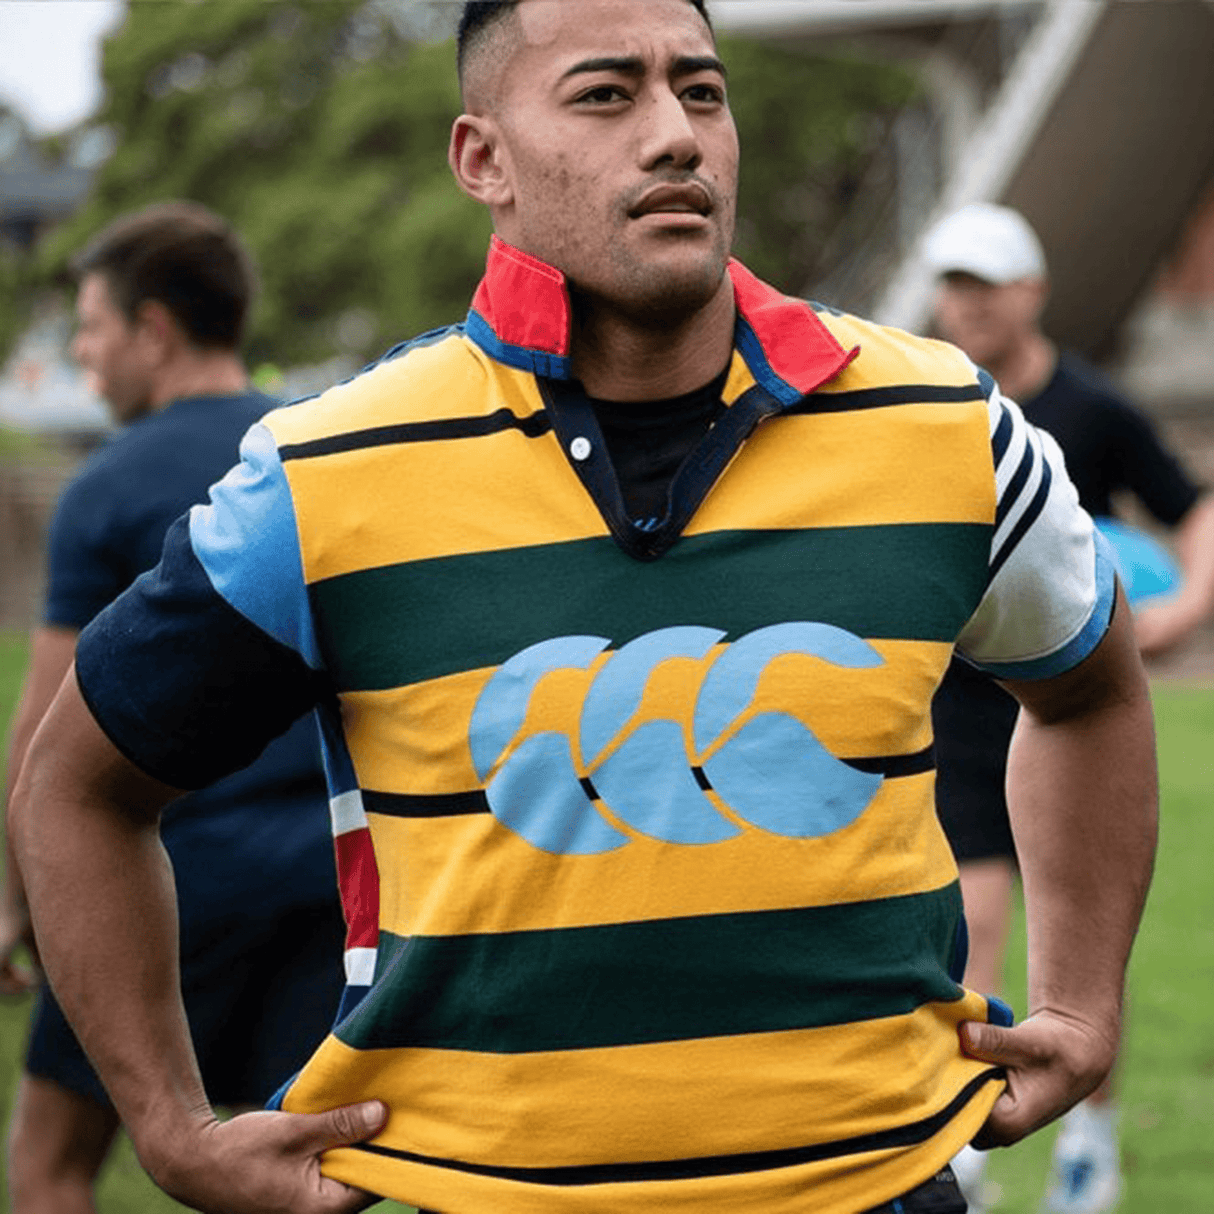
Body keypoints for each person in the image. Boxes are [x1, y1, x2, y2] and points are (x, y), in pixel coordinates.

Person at [8, 5, 1158, 1213]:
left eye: (700, 93)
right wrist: (168, 1124)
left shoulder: (943, 427)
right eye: (606, 95)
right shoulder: (327, 471)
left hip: (878, 1186)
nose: (673, 135)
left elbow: (1086, 687)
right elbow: (79, 783)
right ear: (481, 159)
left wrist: (1079, 998)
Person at [1, 201, 348, 1212]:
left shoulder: (106, 485)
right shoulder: (320, 446)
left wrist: (17, 901)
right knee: (298, 1175)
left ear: (153, 330)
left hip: (166, 876)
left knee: (52, 1160)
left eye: (92, 328)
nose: (83, 354)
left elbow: (46, 728)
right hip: (325, 879)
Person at [924, 201, 1214, 1214]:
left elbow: (1191, 507)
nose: (961, 304)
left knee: (1080, 943)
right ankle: (968, 1136)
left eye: (982, 285)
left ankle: (1088, 1137)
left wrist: (1182, 605)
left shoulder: (1091, 409)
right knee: (970, 923)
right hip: (955, 711)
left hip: (1070, 711)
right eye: (949, 283)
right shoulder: (930, 404)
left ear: (1030, 292)